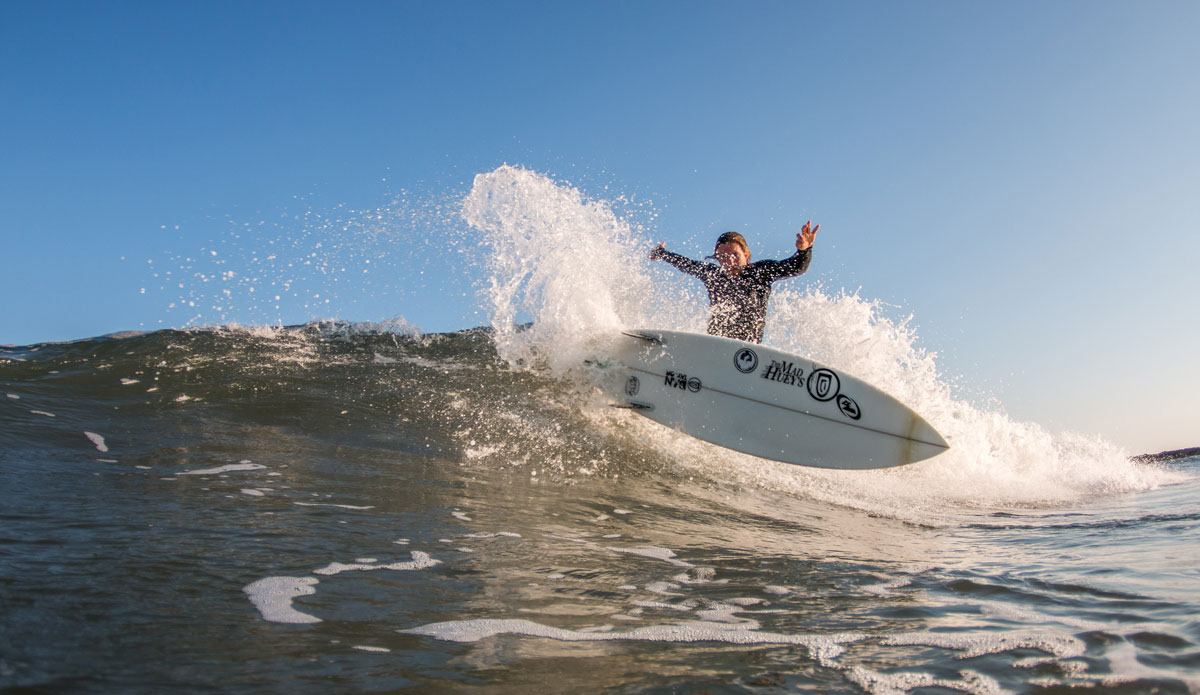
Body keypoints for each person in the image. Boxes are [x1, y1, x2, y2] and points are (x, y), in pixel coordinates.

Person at [649, 221, 818, 344]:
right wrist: (662, 253)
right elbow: (687, 264)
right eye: (722, 257)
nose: (729, 261)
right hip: (715, 344)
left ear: (746, 254)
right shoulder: (714, 275)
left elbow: (796, 267)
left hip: (748, 350)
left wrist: (804, 250)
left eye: (735, 255)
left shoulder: (761, 272)